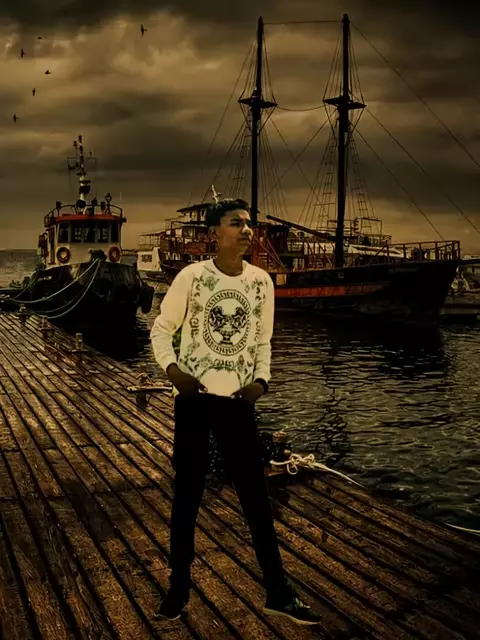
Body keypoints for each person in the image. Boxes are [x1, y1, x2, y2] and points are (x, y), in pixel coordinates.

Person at [150, 198, 321, 626]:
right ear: (215, 233)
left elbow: (263, 342)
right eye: (235, 223)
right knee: (187, 497)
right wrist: (175, 374)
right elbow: (161, 330)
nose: (247, 230)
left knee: (256, 499)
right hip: (194, 401)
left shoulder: (262, 283)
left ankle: (277, 593)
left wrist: (260, 382)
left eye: (249, 223)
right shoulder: (192, 278)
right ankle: (178, 589)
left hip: (237, 404)